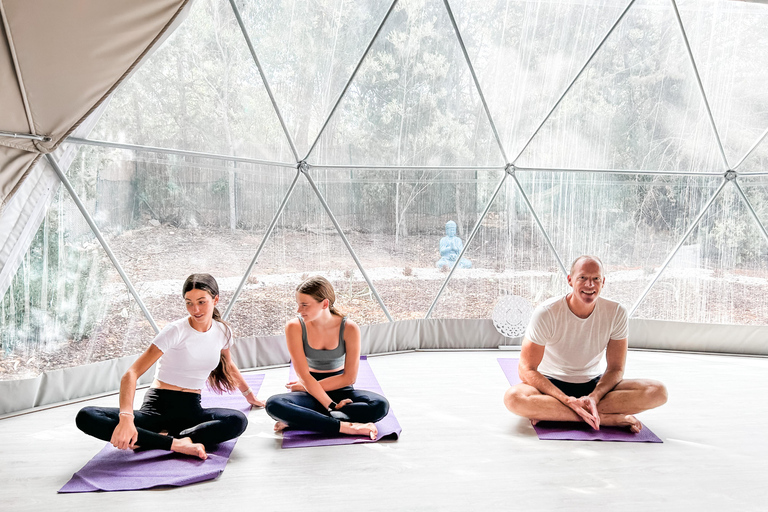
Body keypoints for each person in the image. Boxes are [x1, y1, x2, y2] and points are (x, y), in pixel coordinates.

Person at [76, 273, 264, 460]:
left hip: (191, 411)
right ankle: (176, 444)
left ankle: (156, 440)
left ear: (215, 299)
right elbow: (131, 373)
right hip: (156, 410)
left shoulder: (223, 331)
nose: (195, 309)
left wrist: (250, 396)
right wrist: (126, 418)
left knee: (237, 421)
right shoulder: (175, 330)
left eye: (201, 301)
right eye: (189, 302)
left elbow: (228, 365)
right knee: (86, 416)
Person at [503, 256, 667, 432]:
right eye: (583, 278)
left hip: (594, 385)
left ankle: (558, 413)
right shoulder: (546, 312)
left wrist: (594, 397)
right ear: (570, 280)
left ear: (603, 282)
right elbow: (526, 369)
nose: (590, 285)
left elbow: (616, 368)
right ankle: (602, 418)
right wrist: (567, 400)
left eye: (596, 279)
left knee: (657, 391)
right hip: (550, 387)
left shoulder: (616, 312)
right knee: (514, 398)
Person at [265, 276, 389, 439]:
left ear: (324, 304)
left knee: (380, 406)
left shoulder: (349, 328)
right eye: (298, 304)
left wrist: (303, 387)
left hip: (339, 389)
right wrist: (332, 407)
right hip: (310, 391)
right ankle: (347, 427)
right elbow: (304, 376)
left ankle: (301, 420)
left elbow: (349, 378)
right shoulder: (294, 327)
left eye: (304, 305)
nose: (298, 310)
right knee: (274, 404)